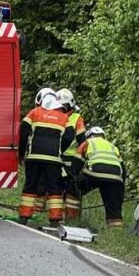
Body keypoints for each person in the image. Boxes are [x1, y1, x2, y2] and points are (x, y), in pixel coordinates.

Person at [18, 88, 74, 226]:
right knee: (55, 188)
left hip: (34, 158)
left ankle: (24, 216)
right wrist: (59, 150)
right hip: (54, 160)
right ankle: (55, 219)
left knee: (30, 186)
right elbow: (69, 135)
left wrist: (21, 154)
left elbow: (23, 131)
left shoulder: (34, 113)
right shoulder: (64, 117)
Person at [76, 126, 126, 227]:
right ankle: (115, 229)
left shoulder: (87, 143)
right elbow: (123, 169)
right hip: (115, 177)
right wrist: (121, 185)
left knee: (74, 188)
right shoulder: (112, 146)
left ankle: (72, 217)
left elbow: (76, 163)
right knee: (113, 205)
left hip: (95, 173)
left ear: (88, 136)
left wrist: (75, 179)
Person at [57, 88, 87, 220]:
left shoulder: (54, 116)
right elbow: (83, 141)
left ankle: (68, 218)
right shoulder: (76, 118)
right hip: (69, 161)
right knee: (69, 190)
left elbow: (82, 141)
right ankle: (69, 217)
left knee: (61, 189)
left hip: (61, 159)